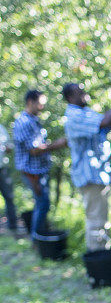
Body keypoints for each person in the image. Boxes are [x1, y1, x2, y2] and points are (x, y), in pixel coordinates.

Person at [62, 82, 111, 251]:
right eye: (79, 93)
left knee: (100, 219)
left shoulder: (85, 113)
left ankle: (100, 256)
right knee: (96, 221)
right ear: (69, 98)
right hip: (89, 174)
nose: (84, 95)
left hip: (98, 173)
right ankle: (98, 261)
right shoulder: (74, 116)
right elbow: (104, 122)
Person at [13, 89, 67, 237]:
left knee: (42, 204)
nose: (42, 107)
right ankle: (36, 238)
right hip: (32, 173)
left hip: (39, 171)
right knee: (42, 205)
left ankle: (39, 234)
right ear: (30, 102)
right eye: (40, 104)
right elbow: (34, 150)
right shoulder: (24, 122)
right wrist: (58, 144)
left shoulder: (33, 121)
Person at [0, 123, 18, 233]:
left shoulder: (1, 128)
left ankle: (13, 225)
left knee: (9, 196)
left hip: (2, 168)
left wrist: (7, 148)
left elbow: (9, 146)